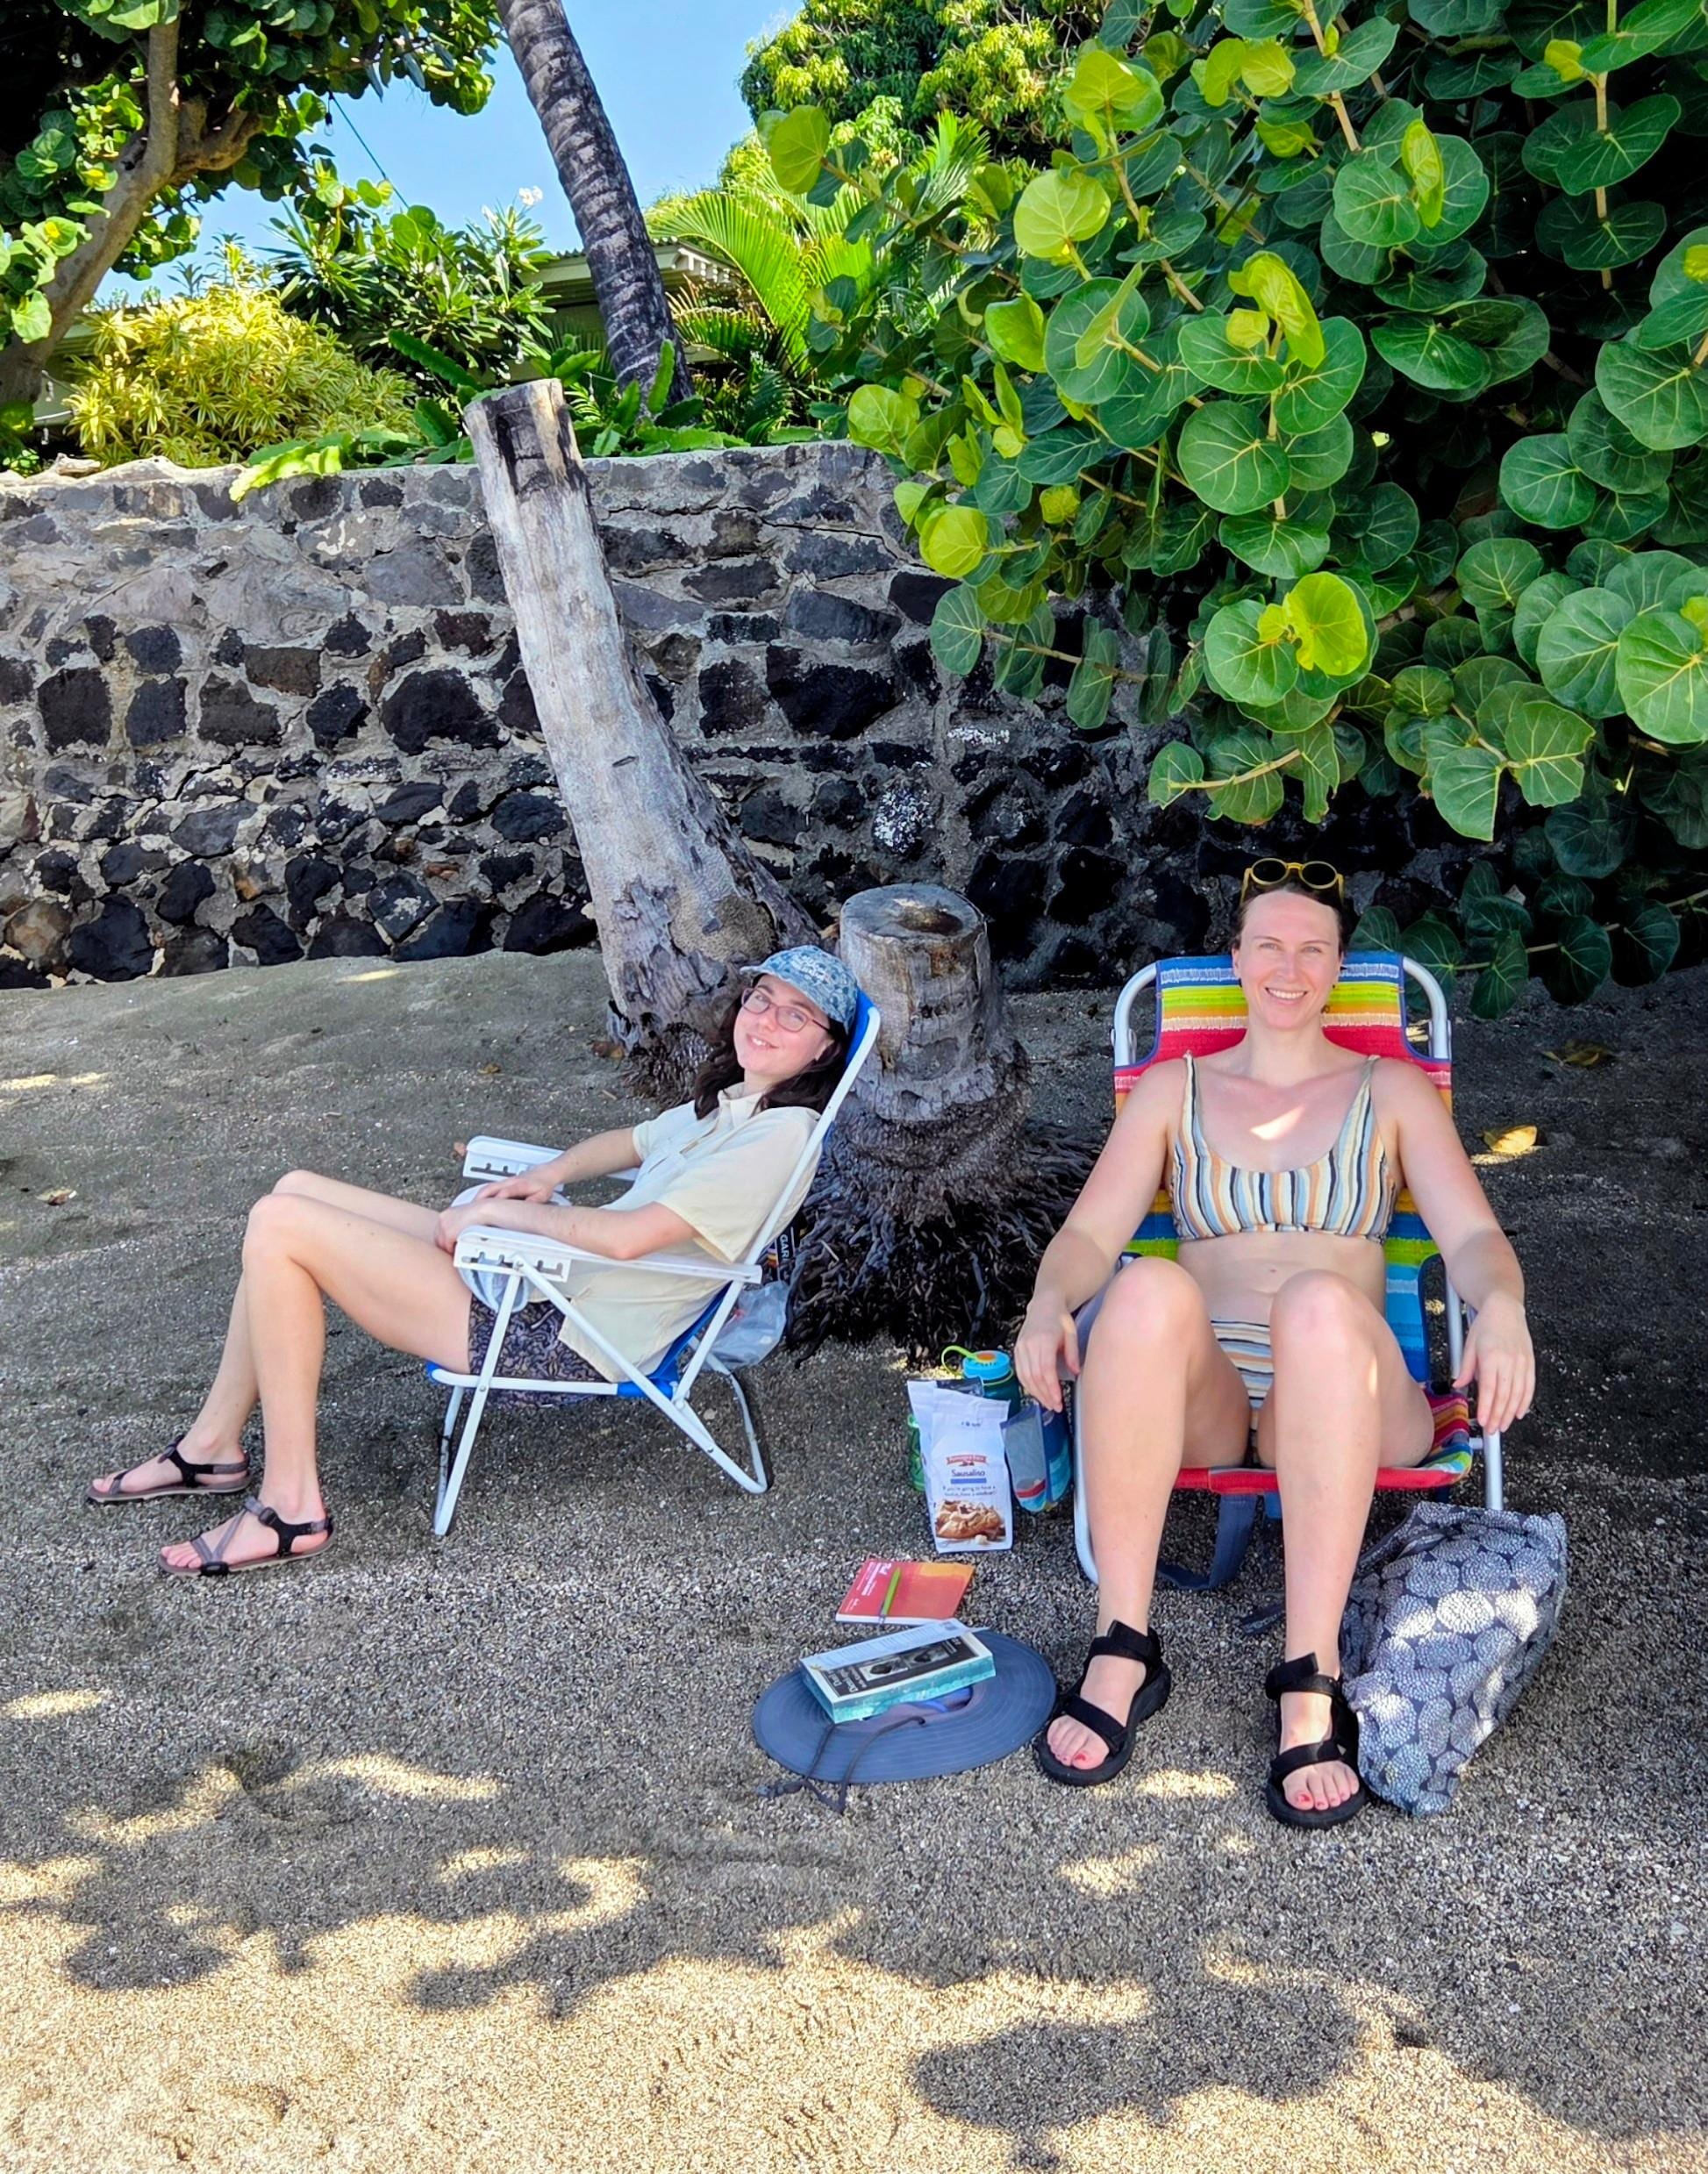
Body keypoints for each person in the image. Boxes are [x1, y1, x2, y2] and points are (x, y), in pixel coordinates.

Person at [1015, 862, 1533, 1828]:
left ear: (1339, 968)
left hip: (1355, 1391)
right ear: (1238, 959)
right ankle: (1124, 1644)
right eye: (1269, 945)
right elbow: (1089, 1236)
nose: (1288, 967)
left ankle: (1310, 1674)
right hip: (1214, 1405)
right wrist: (1049, 1305)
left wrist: (1500, 1308)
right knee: (1144, 1285)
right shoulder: (1174, 1089)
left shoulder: (1395, 1089)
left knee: (1317, 1305)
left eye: (1313, 948)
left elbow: (1471, 1238)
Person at [88, 947, 861, 1577]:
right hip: (538, 1281)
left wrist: (493, 1211)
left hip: (561, 1337)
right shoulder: (733, 1107)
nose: (766, 1020)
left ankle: (291, 1503)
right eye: (762, 999)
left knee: (282, 1228)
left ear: (823, 1049)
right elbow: (627, 1145)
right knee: (292, 1192)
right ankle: (211, 1450)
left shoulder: (778, 1138)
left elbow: (630, 1239)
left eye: (796, 1016)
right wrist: (547, 1177)